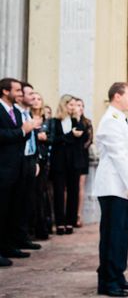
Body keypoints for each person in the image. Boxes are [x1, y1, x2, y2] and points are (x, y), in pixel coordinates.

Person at [94, 82, 128, 297]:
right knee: (113, 236)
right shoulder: (111, 121)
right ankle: (108, 281)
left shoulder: (119, 118)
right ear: (117, 96)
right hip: (114, 186)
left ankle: (117, 275)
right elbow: (119, 156)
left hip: (120, 186)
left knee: (121, 235)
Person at [0, 78, 41, 266]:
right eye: (17, 90)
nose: (20, 94)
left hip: (18, 165)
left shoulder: (16, 110)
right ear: (5, 91)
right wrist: (23, 131)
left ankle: (8, 245)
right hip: (3, 167)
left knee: (11, 209)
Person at [14, 82, 43, 251]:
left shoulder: (28, 114)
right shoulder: (16, 114)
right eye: (29, 93)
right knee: (16, 202)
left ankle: (22, 237)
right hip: (18, 161)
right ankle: (13, 240)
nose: (33, 97)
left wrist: (36, 160)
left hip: (30, 160)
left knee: (27, 201)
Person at [49, 95, 83, 235]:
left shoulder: (75, 120)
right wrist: (70, 136)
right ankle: (60, 222)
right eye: (71, 105)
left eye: (75, 105)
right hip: (59, 162)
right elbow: (53, 139)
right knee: (58, 192)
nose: (73, 108)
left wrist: (78, 119)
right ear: (64, 105)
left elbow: (82, 137)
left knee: (73, 192)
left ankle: (70, 221)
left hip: (73, 162)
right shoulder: (55, 121)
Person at [30, 91, 52, 240]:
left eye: (39, 98)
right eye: (34, 98)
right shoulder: (27, 117)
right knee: (29, 194)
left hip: (44, 160)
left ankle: (42, 227)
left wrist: (46, 137)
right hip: (31, 158)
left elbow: (54, 138)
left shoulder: (47, 120)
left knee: (41, 193)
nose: (37, 101)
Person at [75, 98, 93, 228]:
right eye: (77, 105)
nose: (79, 108)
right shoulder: (69, 121)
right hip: (69, 158)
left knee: (80, 186)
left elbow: (89, 140)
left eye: (81, 105)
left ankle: (78, 215)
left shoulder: (87, 122)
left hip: (82, 156)